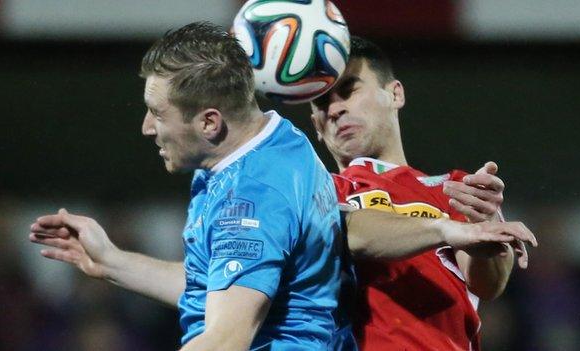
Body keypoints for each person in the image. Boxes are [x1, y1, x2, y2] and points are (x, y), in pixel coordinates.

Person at [29, 22, 345, 350]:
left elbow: (225, 340)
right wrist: (111, 260)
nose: (146, 128)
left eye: (158, 114)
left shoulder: (252, 198)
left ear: (209, 122)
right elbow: (219, 289)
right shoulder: (272, 142)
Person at [311, 36, 537, 350]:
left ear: (395, 94)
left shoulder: (455, 188)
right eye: (322, 102)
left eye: (349, 90)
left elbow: (489, 285)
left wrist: (484, 228)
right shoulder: (318, 191)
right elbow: (350, 232)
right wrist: (446, 229)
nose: (335, 108)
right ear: (316, 126)